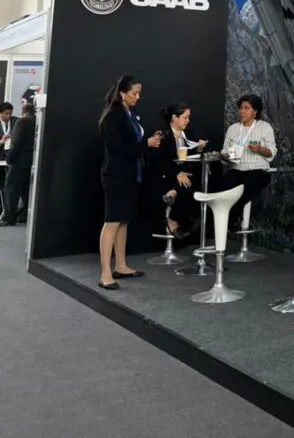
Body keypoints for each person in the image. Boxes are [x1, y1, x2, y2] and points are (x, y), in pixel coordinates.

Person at [98, 75, 162, 290]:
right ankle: (105, 273)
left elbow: (134, 143)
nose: (138, 97)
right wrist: (145, 144)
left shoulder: (131, 114)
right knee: (112, 221)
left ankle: (121, 265)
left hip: (131, 174)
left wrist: (148, 142)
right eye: (135, 93)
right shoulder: (112, 116)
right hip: (116, 175)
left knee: (123, 220)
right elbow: (116, 148)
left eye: (139, 93)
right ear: (123, 94)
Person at [153, 103, 208, 239]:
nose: (188, 120)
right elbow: (159, 161)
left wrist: (199, 148)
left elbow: (192, 155)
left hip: (186, 172)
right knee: (185, 185)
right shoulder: (163, 135)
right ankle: (172, 214)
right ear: (174, 118)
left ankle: (173, 195)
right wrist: (176, 173)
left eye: (188, 117)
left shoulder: (188, 134)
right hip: (166, 174)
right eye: (185, 117)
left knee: (194, 182)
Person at [221, 94, 275, 229]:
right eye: (241, 108)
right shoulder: (233, 128)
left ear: (255, 111)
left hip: (258, 170)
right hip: (236, 169)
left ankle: (231, 217)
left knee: (249, 185)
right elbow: (224, 151)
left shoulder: (265, 127)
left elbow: (272, 153)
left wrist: (260, 149)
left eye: (246, 108)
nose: (242, 111)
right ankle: (224, 222)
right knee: (222, 186)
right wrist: (229, 154)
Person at [1, 103, 36, 227]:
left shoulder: (22, 122)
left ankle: (10, 217)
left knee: (11, 189)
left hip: (19, 161)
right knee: (26, 190)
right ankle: (24, 215)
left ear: (23, 111)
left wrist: (9, 159)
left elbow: (16, 144)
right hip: (32, 161)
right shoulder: (37, 121)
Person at [0, 103, 15, 216]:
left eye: (10, 113)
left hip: (11, 158)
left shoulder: (16, 122)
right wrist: (1, 141)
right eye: (6, 113)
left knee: (9, 185)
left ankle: (9, 210)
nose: (8, 116)